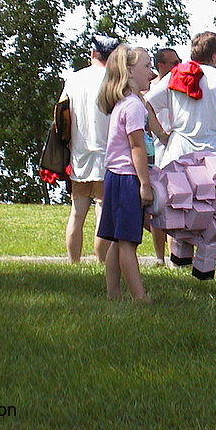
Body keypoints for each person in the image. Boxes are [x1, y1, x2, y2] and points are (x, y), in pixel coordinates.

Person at [145, 32, 216, 278]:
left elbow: (147, 104)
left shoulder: (176, 73)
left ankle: (178, 261)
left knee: (178, 208)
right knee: (213, 211)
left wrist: (162, 134)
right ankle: (205, 266)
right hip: (212, 152)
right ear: (215, 55)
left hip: (179, 149)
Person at [95, 46, 154, 302]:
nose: (151, 74)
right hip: (128, 178)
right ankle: (139, 297)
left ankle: (113, 294)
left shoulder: (122, 103)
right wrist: (145, 184)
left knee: (116, 241)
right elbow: (137, 146)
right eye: (147, 67)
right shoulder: (134, 106)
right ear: (130, 72)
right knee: (128, 242)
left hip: (113, 177)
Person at [60, 34, 119, 264]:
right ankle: (101, 261)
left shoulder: (74, 79)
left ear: (93, 53)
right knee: (102, 212)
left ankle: (73, 261)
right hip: (108, 155)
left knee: (77, 212)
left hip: (80, 154)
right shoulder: (115, 80)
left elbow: (61, 115)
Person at [147, 47, 180, 265]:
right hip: (157, 152)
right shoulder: (151, 88)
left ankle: (176, 255)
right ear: (161, 66)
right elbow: (145, 107)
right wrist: (160, 133)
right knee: (157, 207)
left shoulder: (180, 84)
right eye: (174, 62)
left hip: (174, 152)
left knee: (177, 206)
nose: (179, 66)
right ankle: (159, 257)